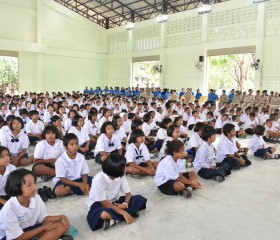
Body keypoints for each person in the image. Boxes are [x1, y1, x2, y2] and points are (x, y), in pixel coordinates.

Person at [0, 169, 72, 240]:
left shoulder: (36, 197)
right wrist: (42, 228)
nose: (34, 187)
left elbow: (42, 218)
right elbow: (18, 237)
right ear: (17, 187)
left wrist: (62, 217)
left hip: (29, 229)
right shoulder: (8, 209)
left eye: (34, 183)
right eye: (29, 185)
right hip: (11, 237)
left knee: (60, 226)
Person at [87, 154, 147, 231]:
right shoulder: (98, 179)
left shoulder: (121, 176)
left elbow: (128, 194)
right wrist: (123, 212)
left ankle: (114, 220)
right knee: (103, 214)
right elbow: (104, 203)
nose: (126, 168)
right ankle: (126, 214)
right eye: (124, 167)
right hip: (99, 204)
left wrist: (125, 204)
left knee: (139, 199)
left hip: (114, 202)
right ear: (116, 171)